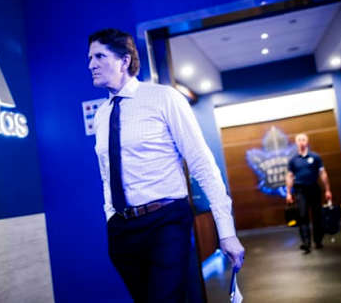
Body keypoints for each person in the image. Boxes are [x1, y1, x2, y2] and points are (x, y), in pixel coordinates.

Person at [89, 28, 245, 302]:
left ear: (124, 60)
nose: (91, 65)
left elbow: (202, 164)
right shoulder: (102, 115)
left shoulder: (164, 98)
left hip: (166, 221)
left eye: (99, 56)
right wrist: (110, 217)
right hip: (123, 230)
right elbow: (106, 176)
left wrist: (227, 232)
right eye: (90, 58)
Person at [286, 133, 333, 254]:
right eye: (299, 140)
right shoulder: (293, 160)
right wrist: (288, 193)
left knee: (317, 215)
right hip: (300, 190)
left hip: (314, 188)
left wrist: (327, 190)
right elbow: (290, 176)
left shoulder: (315, 157)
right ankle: (306, 243)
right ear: (296, 143)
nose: (301, 142)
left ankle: (318, 240)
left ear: (307, 142)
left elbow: (323, 174)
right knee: (302, 215)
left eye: (303, 139)